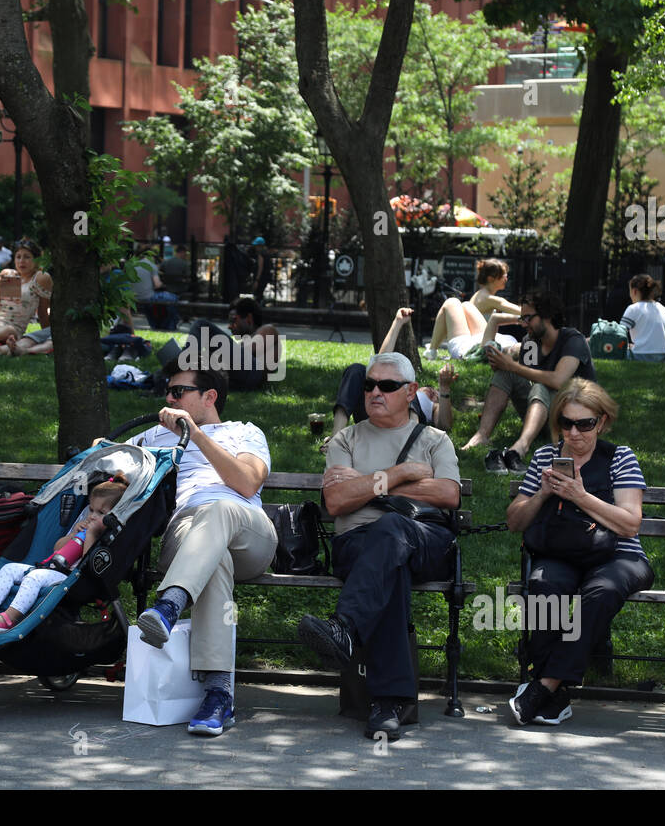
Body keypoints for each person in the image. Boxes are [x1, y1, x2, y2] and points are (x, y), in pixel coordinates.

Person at [295, 352, 461, 740]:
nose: (374, 392)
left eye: (386, 386)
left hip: (424, 539)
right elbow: (335, 502)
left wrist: (365, 483)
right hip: (356, 545)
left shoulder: (435, 440)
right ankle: (390, 703)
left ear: (411, 392)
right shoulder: (345, 439)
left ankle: (346, 629)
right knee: (391, 565)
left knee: (391, 529)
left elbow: (448, 494)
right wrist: (399, 474)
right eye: (369, 385)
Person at [129, 364, 277, 736]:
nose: (169, 400)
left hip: (248, 531)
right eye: (168, 393)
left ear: (209, 397)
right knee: (215, 562)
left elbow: (245, 483)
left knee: (219, 509)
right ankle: (218, 695)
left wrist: (193, 434)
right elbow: (112, 461)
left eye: (178, 392)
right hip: (188, 535)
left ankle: (168, 605)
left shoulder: (245, 432)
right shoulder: (157, 436)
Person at [503, 379, 653, 726]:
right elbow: (514, 521)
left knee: (600, 592)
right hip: (562, 552)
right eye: (566, 423)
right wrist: (541, 494)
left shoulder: (619, 457)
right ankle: (555, 698)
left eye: (584, 423)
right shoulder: (545, 456)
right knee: (544, 585)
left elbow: (631, 524)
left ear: (601, 422)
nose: (574, 432)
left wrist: (579, 495)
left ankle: (543, 686)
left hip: (619, 556)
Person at [0, 477, 128, 632]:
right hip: (55, 568)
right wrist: (73, 535)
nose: (92, 516)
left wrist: (91, 535)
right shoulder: (85, 524)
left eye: (100, 513)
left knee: (35, 577)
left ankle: (9, 618)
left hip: (75, 579)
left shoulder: (106, 539)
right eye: (91, 510)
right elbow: (57, 548)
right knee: (9, 568)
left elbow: (87, 565)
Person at [461, 289, 597, 476]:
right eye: (522, 318)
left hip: (572, 421)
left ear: (547, 316)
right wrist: (505, 366)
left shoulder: (573, 340)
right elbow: (527, 378)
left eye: (528, 318)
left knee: (540, 384)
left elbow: (558, 380)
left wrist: (514, 367)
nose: (524, 324)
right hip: (543, 413)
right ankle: (481, 435)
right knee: (506, 375)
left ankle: (520, 447)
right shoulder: (531, 342)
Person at [330, 308, 455, 438]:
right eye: (430, 388)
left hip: (400, 425)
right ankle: (336, 437)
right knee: (356, 370)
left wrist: (444, 388)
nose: (432, 391)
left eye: (435, 394)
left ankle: (409, 438)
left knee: (406, 387)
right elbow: (381, 363)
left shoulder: (432, 406)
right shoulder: (396, 389)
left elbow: (444, 425)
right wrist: (398, 323)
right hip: (374, 413)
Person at [426, 258, 523, 360]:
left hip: (477, 339)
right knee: (459, 303)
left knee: (461, 304)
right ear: (491, 279)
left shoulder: (481, 295)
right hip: (477, 338)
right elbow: (520, 311)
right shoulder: (488, 298)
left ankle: (432, 349)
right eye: (504, 276)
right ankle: (432, 349)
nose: (506, 279)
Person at [0, 240, 53, 356]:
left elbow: (43, 313)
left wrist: (47, 334)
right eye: (18, 257)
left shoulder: (41, 278)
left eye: (27, 257)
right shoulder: (10, 275)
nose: (21, 261)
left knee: (9, 330)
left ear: (37, 260)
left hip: (12, 329)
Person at [183, 297, 280, 391]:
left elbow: (248, 351)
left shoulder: (268, 329)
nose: (229, 326)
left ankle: (180, 368)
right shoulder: (244, 342)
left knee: (201, 325)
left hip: (255, 374)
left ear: (249, 318)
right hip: (240, 382)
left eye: (233, 320)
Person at [619, 273, 665, 362]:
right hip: (664, 356)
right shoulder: (662, 308)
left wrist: (621, 346)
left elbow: (619, 334)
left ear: (634, 291)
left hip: (641, 355)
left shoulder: (633, 308)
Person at [250, 236, 270, 302]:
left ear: (260, 246)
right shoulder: (267, 254)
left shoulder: (260, 255)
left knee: (257, 296)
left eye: (256, 246)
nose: (255, 248)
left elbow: (260, 268)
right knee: (259, 296)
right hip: (265, 279)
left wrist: (256, 280)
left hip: (260, 280)